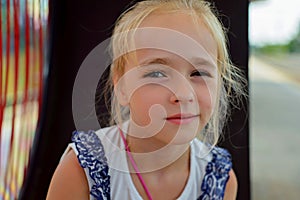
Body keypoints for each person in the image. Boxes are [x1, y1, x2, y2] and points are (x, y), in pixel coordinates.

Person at [47, 0, 246, 199]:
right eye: (157, 74)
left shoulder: (221, 179)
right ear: (122, 86)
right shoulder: (82, 170)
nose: (183, 94)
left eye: (199, 73)